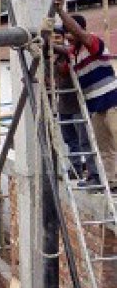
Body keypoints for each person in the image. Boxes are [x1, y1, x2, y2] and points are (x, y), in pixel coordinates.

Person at [54, 0, 117, 189]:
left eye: (70, 33)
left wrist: (60, 11)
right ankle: (111, 181)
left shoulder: (93, 44)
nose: (68, 37)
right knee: (104, 147)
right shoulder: (73, 53)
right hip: (97, 107)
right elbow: (62, 71)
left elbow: (79, 33)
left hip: (113, 101)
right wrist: (43, 43)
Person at [52, 28, 99, 185]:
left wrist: (49, 46)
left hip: (78, 105)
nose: (55, 40)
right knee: (70, 140)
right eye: (52, 38)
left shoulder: (70, 53)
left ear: (64, 38)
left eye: (58, 37)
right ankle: (75, 170)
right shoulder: (53, 59)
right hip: (64, 105)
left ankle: (94, 174)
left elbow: (66, 65)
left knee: (84, 141)